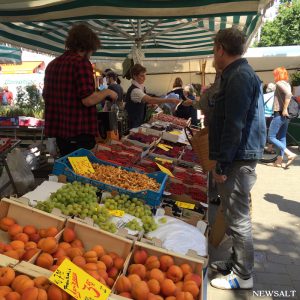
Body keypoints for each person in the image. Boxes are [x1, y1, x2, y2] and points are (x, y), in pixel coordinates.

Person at [208, 27, 266, 290]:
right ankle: (236, 262)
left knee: (239, 217)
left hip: (238, 158)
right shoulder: (237, 73)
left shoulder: (239, 76)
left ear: (220, 48)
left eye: (213, 49)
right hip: (239, 155)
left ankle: (243, 275)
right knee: (233, 215)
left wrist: (222, 163)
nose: (213, 54)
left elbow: (234, 124)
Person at [43, 23, 117, 156]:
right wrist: (107, 92)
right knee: (82, 173)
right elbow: (88, 100)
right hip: (79, 133)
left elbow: (46, 97)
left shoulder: (52, 65)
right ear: (88, 46)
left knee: (68, 170)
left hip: (61, 133)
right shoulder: (81, 63)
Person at [125, 64, 181, 129]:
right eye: (142, 76)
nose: (144, 78)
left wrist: (147, 105)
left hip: (138, 120)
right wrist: (169, 100)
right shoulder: (135, 90)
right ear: (134, 76)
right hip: (133, 122)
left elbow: (140, 103)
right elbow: (150, 99)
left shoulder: (140, 87)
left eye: (145, 75)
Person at [267, 67, 297, 168]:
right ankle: (279, 161)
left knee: (271, 137)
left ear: (278, 74)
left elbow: (288, 94)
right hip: (286, 115)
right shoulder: (287, 83)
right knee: (282, 137)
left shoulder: (279, 83)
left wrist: (284, 109)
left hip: (279, 113)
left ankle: (290, 154)